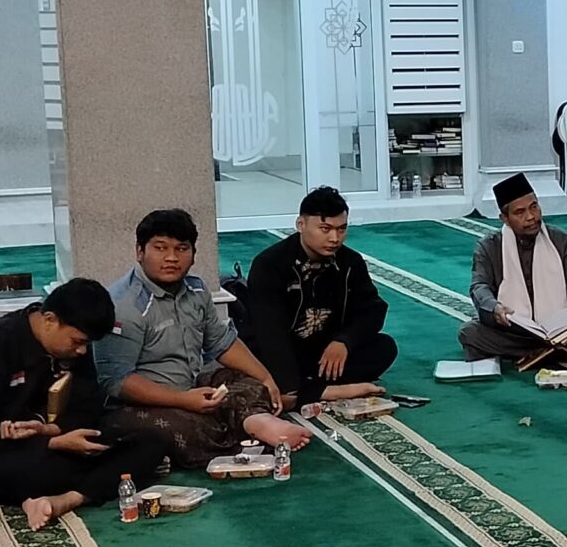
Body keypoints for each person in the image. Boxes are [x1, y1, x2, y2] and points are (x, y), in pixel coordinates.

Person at [97, 209, 315, 470]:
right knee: (176, 429)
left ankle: (257, 423)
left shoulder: (196, 289)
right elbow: (117, 382)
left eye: (181, 249)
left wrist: (266, 379)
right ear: (140, 251)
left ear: (193, 254)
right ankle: (247, 430)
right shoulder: (124, 305)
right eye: (160, 248)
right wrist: (183, 400)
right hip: (138, 405)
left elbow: (222, 342)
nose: (171, 258)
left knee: (248, 384)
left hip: (192, 384)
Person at [0, 278, 168, 530]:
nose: (82, 351)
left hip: (58, 444)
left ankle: (67, 499)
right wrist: (50, 443)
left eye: (87, 344)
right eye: (77, 342)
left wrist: (50, 430)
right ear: (49, 320)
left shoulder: (73, 349)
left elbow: (87, 408)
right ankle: (90, 485)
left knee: (150, 442)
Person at [243, 187, 397, 404]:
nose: (335, 238)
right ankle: (320, 391)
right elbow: (269, 330)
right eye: (325, 229)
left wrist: (344, 341)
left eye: (341, 229)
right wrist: (289, 384)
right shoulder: (270, 264)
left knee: (384, 347)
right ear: (301, 225)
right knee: (255, 360)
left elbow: (372, 310)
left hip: (324, 353)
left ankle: (311, 389)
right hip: (281, 349)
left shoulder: (350, 263)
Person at [461, 173, 567, 361]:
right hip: (514, 330)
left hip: (564, 330)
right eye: (520, 212)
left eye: (534, 207)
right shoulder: (489, 247)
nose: (531, 217)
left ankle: (545, 350)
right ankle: (555, 351)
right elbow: (479, 287)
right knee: (469, 333)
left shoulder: (561, 241)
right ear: (504, 218)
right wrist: (495, 308)